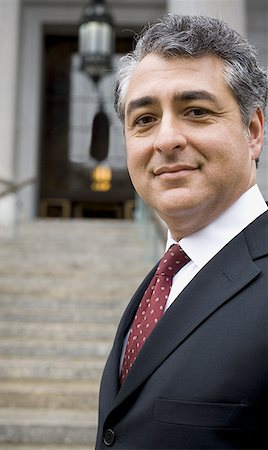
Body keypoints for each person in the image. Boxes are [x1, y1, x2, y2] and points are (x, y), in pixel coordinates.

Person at [95, 14, 268, 450]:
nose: (166, 139)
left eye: (196, 111)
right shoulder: (164, 280)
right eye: (145, 119)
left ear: (253, 131)